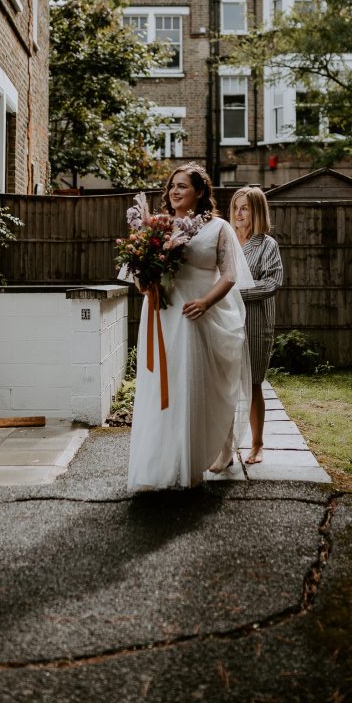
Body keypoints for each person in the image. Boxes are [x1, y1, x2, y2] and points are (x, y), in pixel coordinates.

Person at [122, 163, 253, 491]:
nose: (174, 192)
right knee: (162, 392)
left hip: (197, 315)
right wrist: (144, 272)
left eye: (182, 186)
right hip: (163, 316)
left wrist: (206, 302)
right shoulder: (157, 226)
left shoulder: (218, 228)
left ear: (200, 192)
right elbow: (139, 281)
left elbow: (230, 274)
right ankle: (160, 464)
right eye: (171, 186)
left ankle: (203, 455)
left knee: (199, 385)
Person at [230, 186, 284, 464]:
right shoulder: (226, 241)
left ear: (257, 211)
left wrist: (236, 292)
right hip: (225, 321)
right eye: (236, 207)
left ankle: (257, 445)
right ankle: (226, 446)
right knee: (225, 384)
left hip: (255, 321)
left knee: (252, 384)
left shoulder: (267, 245)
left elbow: (273, 283)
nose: (239, 213)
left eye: (245, 208)